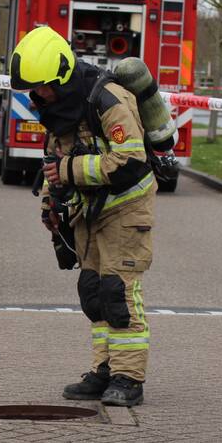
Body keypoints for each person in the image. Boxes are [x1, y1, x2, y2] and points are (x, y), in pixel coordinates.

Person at [10, 25, 156, 407]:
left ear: (60, 74)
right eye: (33, 88)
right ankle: (104, 370)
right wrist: (49, 206)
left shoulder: (106, 99)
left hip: (126, 206)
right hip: (88, 212)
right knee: (93, 292)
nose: (37, 94)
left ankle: (129, 378)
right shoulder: (59, 108)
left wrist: (71, 171)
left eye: (42, 86)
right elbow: (53, 162)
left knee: (118, 293)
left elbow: (130, 161)